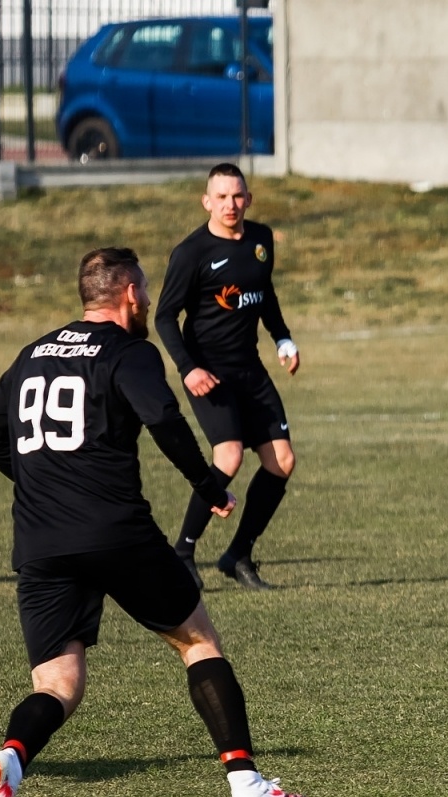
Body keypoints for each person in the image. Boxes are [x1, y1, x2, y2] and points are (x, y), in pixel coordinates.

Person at [0, 247, 309, 797]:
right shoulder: (128, 350)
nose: (149, 300)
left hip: (42, 541)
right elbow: (164, 419)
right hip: (114, 531)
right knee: (198, 640)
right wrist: (209, 485)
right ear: (127, 292)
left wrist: (44, 482)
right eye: (144, 290)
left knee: (58, 684)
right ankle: (247, 785)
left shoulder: (32, 353)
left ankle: (9, 763)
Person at [156, 162, 299, 591]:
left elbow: (265, 294)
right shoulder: (191, 252)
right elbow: (164, 317)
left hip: (249, 369)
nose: (230, 205)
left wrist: (283, 338)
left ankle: (238, 555)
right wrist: (189, 368)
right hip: (209, 373)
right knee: (229, 457)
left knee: (282, 461)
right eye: (221, 197)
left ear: (248, 198)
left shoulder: (261, 240)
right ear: (207, 202)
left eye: (237, 196)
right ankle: (183, 551)